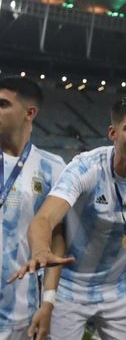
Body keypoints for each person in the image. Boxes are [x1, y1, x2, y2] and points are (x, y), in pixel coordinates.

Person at [10, 96, 126, 340]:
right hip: (69, 288)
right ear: (113, 133)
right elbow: (44, 219)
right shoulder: (86, 168)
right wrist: (41, 251)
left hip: (118, 288)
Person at [0, 77, 67, 340]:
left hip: (23, 308)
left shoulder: (53, 167)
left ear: (30, 113)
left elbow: (58, 237)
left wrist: (48, 301)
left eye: (3, 104)